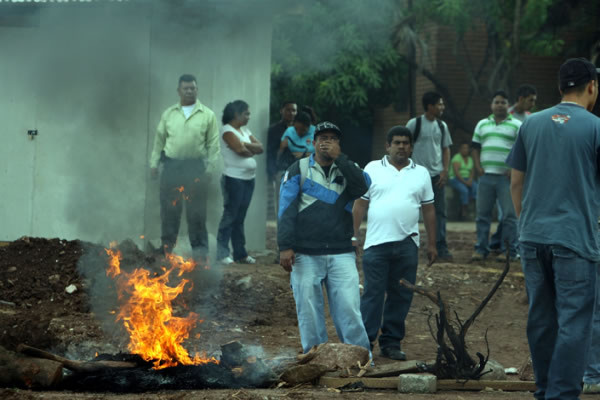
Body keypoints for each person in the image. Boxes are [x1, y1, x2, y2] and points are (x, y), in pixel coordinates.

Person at [507, 57, 600, 400]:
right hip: (575, 241)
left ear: (560, 87)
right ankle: (561, 395)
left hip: (532, 238)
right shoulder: (594, 127)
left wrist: (525, 224)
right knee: (574, 322)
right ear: (591, 86)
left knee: (542, 319)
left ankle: (545, 389)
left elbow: (516, 183)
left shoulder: (530, 125)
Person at [278, 121, 371, 354]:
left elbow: (361, 188)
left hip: (341, 251)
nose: (326, 142)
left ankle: (359, 357)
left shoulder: (350, 168)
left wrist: (341, 158)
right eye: (322, 137)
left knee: (349, 308)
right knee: (308, 310)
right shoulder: (297, 169)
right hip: (304, 252)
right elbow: (285, 211)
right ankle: (315, 357)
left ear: (338, 144)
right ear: (313, 142)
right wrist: (285, 246)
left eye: (332, 138)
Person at [353, 126, 437, 360]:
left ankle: (391, 343)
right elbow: (360, 204)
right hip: (375, 244)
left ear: (411, 147)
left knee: (401, 295)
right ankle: (365, 343)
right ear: (387, 146)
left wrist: (432, 244)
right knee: (373, 294)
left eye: (406, 143)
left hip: (407, 244)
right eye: (397, 142)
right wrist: (353, 235)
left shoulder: (421, 173)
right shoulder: (371, 168)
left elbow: (429, 210)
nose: (401, 147)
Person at [149, 74, 219, 260]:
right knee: (169, 212)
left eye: (193, 88)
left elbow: (213, 144)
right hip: (171, 167)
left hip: (195, 168)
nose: (189, 91)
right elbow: (159, 142)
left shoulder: (207, 115)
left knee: (196, 213)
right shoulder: (169, 114)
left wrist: (210, 169)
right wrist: (154, 164)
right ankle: (166, 252)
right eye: (186, 88)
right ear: (179, 91)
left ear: (197, 90)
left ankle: (200, 255)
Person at [470, 90, 521, 262]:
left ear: (509, 105)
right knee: (482, 215)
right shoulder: (482, 124)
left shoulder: (517, 125)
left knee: (509, 216)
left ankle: (509, 251)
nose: (500, 105)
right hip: (485, 177)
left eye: (503, 102)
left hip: (506, 179)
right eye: (497, 102)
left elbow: (521, 150)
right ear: (492, 105)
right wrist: (478, 167)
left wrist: (513, 168)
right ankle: (480, 249)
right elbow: (475, 147)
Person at [489, 84, 537, 253]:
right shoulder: (505, 115)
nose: (532, 104)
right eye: (530, 100)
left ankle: (498, 242)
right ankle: (505, 244)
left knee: (514, 210)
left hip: (527, 170)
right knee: (507, 211)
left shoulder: (531, 117)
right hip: (507, 171)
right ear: (521, 99)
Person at [406, 92, 453, 260]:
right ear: (430, 106)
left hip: (436, 176)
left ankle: (440, 247)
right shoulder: (414, 124)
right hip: (415, 175)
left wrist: (444, 170)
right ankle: (407, 245)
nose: (442, 107)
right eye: (439, 104)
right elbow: (404, 145)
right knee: (409, 209)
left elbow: (446, 148)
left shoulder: (442, 126)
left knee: (439, 212)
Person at [216, 100, 263, 265]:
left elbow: (261, 147)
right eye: (247, 113)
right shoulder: (226, 131)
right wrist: (246, 147)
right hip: (233, 179)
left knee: (240, 217)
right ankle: (222, 254)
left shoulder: (244, 130)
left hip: (249, 179)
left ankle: (240, 254)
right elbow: (240, 151)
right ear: (237, 114)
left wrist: (244, 143)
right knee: (230, 216)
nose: (249, 117)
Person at [267, 101, 297, 215]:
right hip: (281, 172)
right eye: (288, 110)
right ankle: (281, 232)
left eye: (294, 110)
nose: (291, 113)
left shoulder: (300, 129)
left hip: (299, 172)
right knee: (282, 206)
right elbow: (270, 153)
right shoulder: (274, 130)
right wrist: (272, 172)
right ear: (282, 111)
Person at [448, 142, 477, 220]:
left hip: (467, 179)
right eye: (463, 148)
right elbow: (456, 172)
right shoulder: (457, 158)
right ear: (460, 150)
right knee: (464, 190)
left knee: (476, 187)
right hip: (455, 179)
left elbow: (472, 171)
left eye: (467, 148)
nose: (465, 150)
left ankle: (472, 209)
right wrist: (465, 183)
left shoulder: (470, 159)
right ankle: (464, 213)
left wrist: (470, 180)